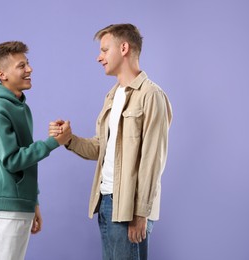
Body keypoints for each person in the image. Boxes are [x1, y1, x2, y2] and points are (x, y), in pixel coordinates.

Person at [50, 24, 173, 260]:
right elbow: (103, 148)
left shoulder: (151, 95)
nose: (99, 57)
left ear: (124, 48)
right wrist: (69, 140)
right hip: (106, 202)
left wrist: (141, 213)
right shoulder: (113, 95)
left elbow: (152, 160)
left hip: (129, 209)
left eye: (105, 50)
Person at [0, 41, 71, 260]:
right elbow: (11, 160)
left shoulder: (18, 105)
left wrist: (32, 202)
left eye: (28, 64)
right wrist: (53, 142)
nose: (29, 69)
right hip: (4, 209)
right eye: (22, 66)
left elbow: (22, 156)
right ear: (2, 74)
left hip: (17, 206)